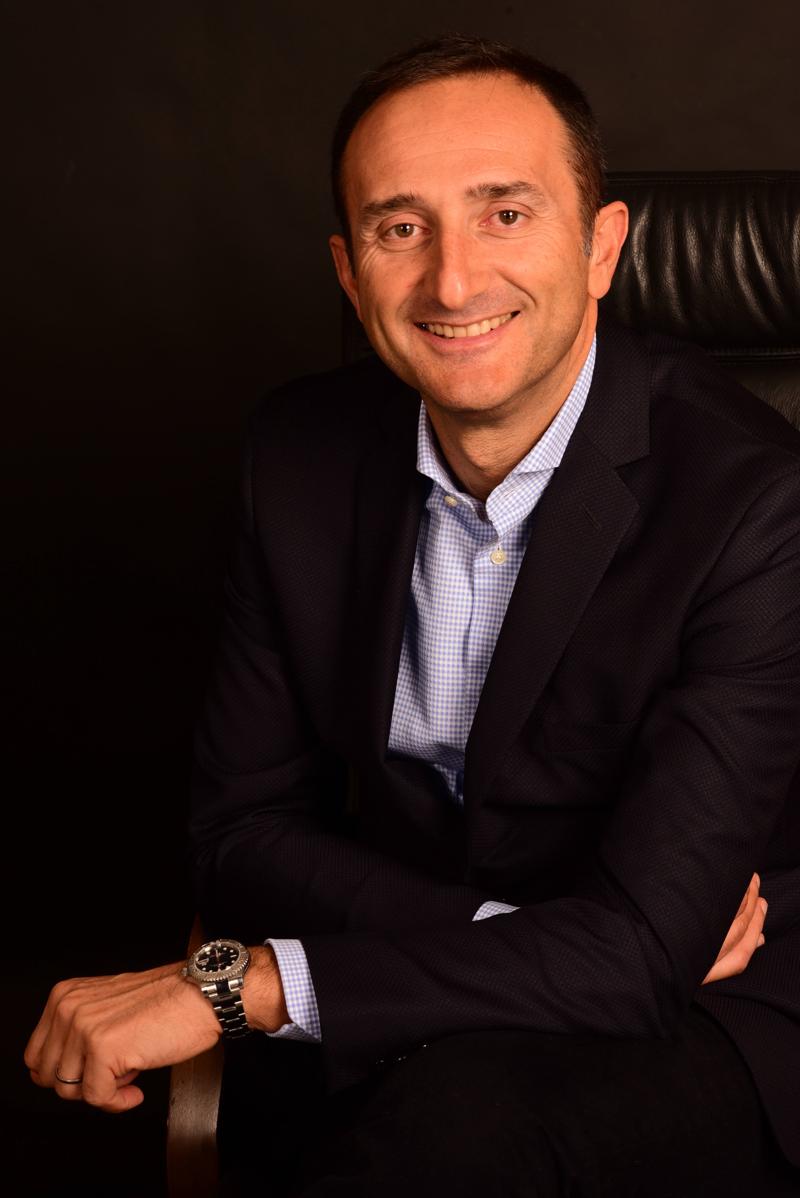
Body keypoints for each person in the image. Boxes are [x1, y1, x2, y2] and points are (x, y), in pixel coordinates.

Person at [26, 34, 800, 1197]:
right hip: (433, 982)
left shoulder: (753, 503)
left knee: (447, 1142)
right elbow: (239, 831)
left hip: (706, 1011)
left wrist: (251, 984)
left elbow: (648, 958)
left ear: (601, 247)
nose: (450, 282)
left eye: (504, 215)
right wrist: (534, 937)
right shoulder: (296, 455)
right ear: (349, 272)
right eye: (400, 228)